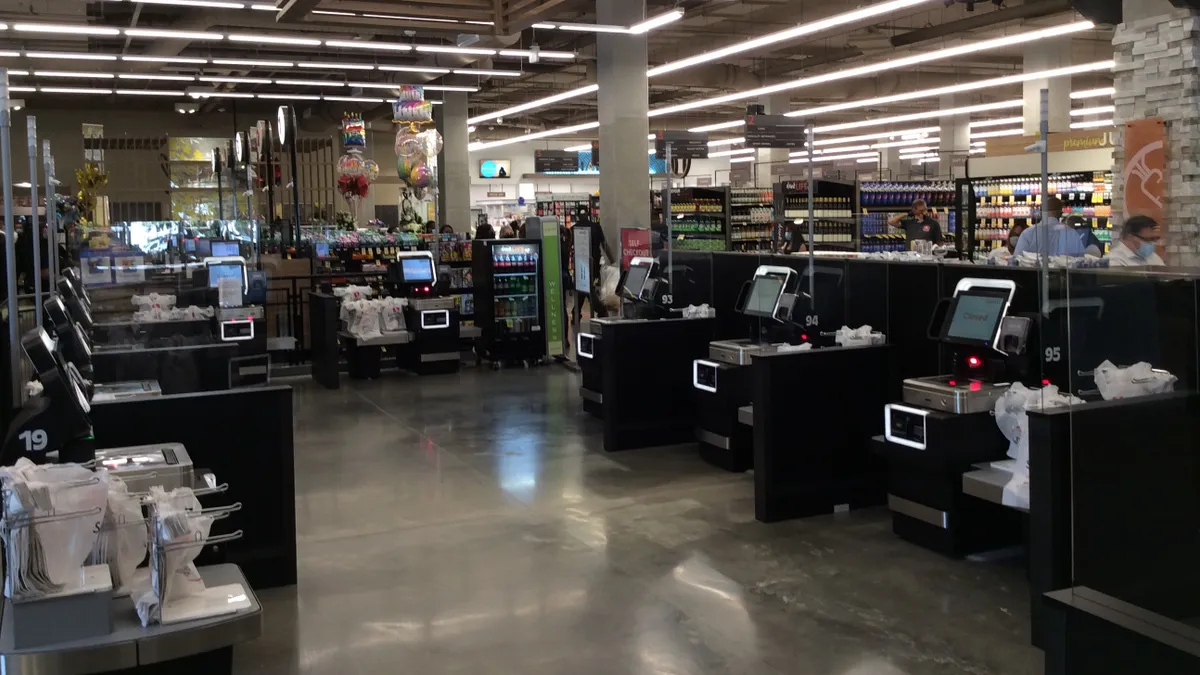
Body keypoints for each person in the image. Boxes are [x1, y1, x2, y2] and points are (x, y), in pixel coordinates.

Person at [1012, 196, 1085, 257]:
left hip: (1034, 274)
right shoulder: (1072, 233)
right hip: (1064, 274)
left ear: (1041, 212)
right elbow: (1081, 260)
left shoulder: (1028, 233)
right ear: (1061, 213)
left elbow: (1018, 259)